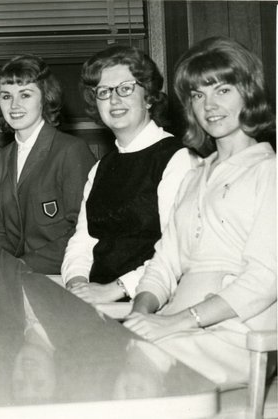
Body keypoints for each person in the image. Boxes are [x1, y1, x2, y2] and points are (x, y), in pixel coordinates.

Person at [124, 37, 276, 386]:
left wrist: (172, 323)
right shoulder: (194, 176)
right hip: (177, 328)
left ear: (248, 93)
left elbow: (265, 279)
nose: (209, 106)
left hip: (243, 337)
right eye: (197, 95)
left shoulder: (270, 171)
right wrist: (140, 314)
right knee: (104, 353)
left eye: (222, 90)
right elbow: (164, 263)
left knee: (127, 370)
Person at [61, 45, 197, 303]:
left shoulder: (177, 159)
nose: (114, 100)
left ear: (148, 97)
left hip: (147, 302)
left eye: (125, 88)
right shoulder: (100, 168)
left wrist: (117, 289)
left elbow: (177, 252)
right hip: (98, 302)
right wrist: (77, 283)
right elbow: (82, 242)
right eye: (104, 91)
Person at [0, 55, 95, 274]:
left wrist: (24, 266)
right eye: (6, 96)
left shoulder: (70, 151)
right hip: (18, 276)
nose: (14, 105)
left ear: (45, 97)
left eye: (25, 95)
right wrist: (5, 266)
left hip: (64, 274)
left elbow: (83, 230)